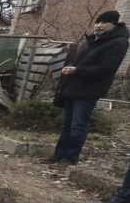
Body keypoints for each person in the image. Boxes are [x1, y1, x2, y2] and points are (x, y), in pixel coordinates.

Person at [47, 10, 129, 167]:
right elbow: (80, 62)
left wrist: (77, 71)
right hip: (73, 88)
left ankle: (70, 158)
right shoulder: (91, 41)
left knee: (78, 125)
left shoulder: (118, 43)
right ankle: (59, 155)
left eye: (104, 23)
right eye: (97, 22)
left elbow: (106, 69)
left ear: (113, 25)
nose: (99, 25)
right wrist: (71, 67)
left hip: (89, 90)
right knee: (66, 125)